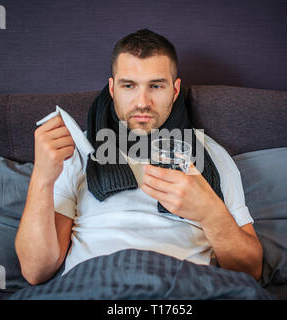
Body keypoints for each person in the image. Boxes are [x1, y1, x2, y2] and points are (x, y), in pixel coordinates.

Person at [15, 29, 263, 286]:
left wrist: (210, 212)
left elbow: (250, 271)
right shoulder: (77, 150)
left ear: (175, 90)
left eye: (156, 86)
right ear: (112, 88)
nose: (142, 102)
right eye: (129, 85)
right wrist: (42, 178)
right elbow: (36, 270)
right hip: (93, 286)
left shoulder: (210, 154)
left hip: (181, 290)